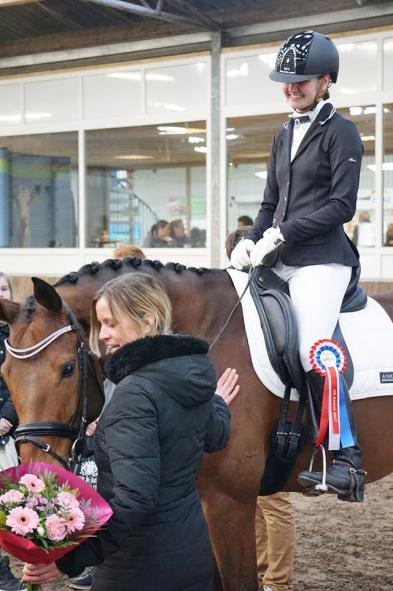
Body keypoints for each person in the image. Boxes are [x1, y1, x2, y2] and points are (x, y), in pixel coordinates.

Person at [23, 273, 232, 591]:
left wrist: (69, 560)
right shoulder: (189, 377)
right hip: (192, 556)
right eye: (101, 324)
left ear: (147, 321)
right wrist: (216, 402)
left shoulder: (135, 393)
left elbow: (134, 500)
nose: (103, 335)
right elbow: (217, 436)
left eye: (111, 323)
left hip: (139, 568)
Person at [230, 30, 365, 502]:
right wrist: (249, 240)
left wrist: (284, 233)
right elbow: (270, 203)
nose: (293, 88)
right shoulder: (283, 132)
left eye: (303, 80)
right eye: (287, 81)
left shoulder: (341, 131)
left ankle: (347, 456)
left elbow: (341, 206)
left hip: (323, 261)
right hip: (280, 258)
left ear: (326, 81)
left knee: (313, 347)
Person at [226, 233, 295, 591]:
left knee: (274, 504)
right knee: (253, 506)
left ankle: (278, 581)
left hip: (272, 421)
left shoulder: (271, 305)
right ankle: (263, 569)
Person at [0, 273, 27, 591]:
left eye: (5, 289)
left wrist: (7, 417)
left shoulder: (17, 335)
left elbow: (20, 382)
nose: (1, 295)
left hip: (9, 429)